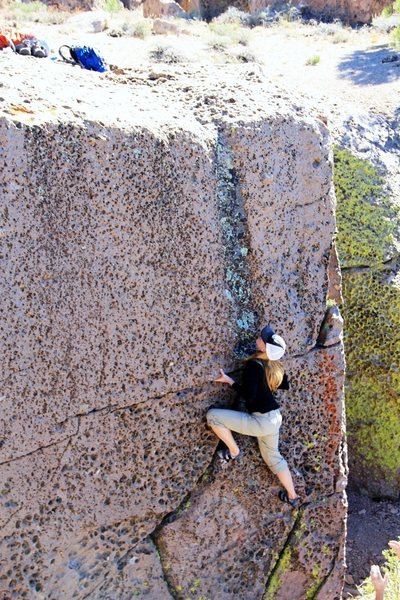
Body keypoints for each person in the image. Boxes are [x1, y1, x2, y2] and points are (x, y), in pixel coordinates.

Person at [206, 325, 300, 509]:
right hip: (274, 418)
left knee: (213, 416)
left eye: (262, 338)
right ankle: (293, 496)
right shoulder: (273, 364)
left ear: (263, 348)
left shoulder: (253, 365)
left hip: (261, 421)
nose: (259, 336)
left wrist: (230, 381)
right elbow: (285, 385)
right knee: (274, 458)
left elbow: (249, 396)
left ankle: (233, 451)